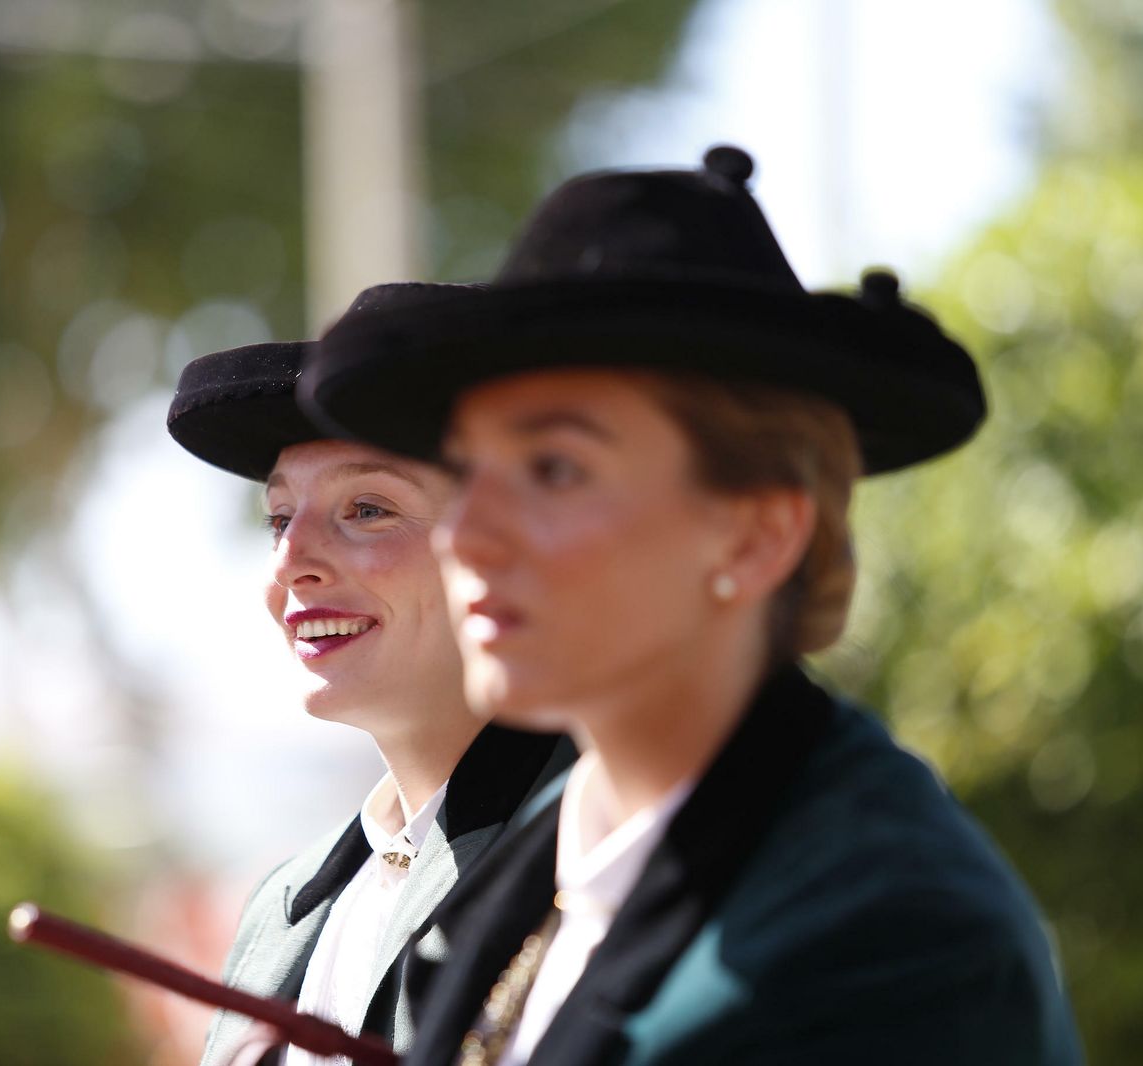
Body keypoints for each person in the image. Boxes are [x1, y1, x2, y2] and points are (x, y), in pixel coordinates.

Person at [299, 147, 1084, 1064]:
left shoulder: (897, 943)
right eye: (467, 470)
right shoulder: (526, 876)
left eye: (554, 468)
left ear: (756, 534)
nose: (466, 536)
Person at [168, 283, 574, 1066]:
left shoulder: (601, 860)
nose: (291, 563)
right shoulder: (282, 906)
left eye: (367, 509)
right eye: (279, 518)